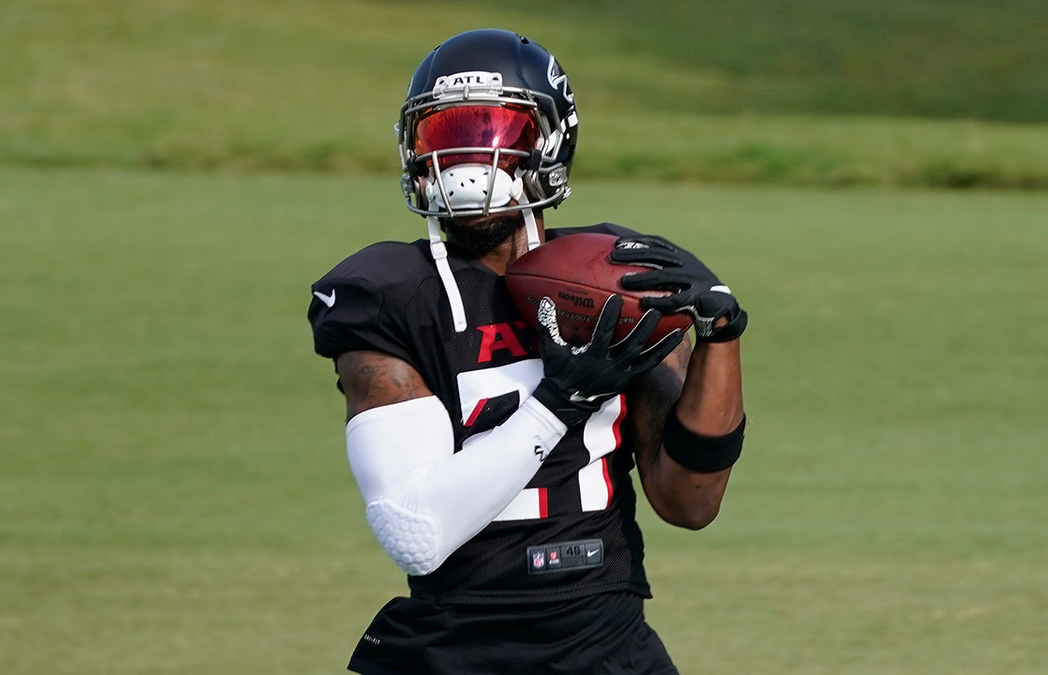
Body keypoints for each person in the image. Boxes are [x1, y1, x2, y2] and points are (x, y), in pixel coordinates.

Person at [307, 28, 748, 675]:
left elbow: (690, 503)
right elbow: (416, 533)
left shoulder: (610, 278)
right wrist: (560, 402)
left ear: (547, 143)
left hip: (606, 639)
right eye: (442, 134)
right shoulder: (391, 294)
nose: (463, 158)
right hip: (455, 646)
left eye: (489, 130)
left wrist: (722, 336)